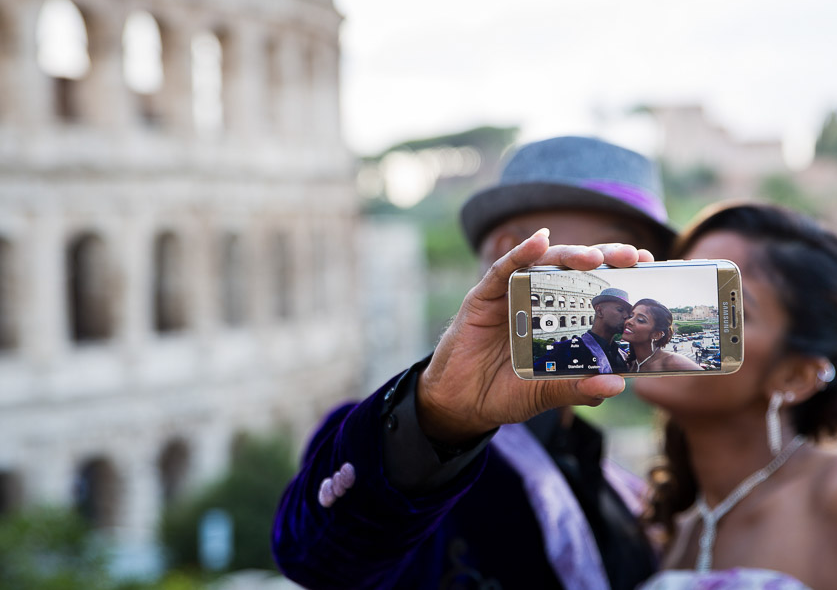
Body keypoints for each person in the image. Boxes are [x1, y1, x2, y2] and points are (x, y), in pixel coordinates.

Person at [272, 136, 674, 589]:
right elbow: (314, 558)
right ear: (514, 249)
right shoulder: (387, 441)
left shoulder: (616, 483)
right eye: (616, 248)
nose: (635, 269)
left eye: (648, 256)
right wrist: (439, 416)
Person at [634, 201, 837, 589]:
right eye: (678, 282)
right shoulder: (674, 529)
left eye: (722, 309)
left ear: (796, 376)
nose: (671, 317)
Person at [534, 287, 633, 374]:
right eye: (620, 310)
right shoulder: (564, 351)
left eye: (628, 313)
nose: (626, 316)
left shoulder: (621, 354)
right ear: (599, 311)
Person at [622, 298, 703, 373]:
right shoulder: (632, 364)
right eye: (631, 316)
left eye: (640, 320)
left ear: (656, 335)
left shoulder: (672, 362)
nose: (629, 321)